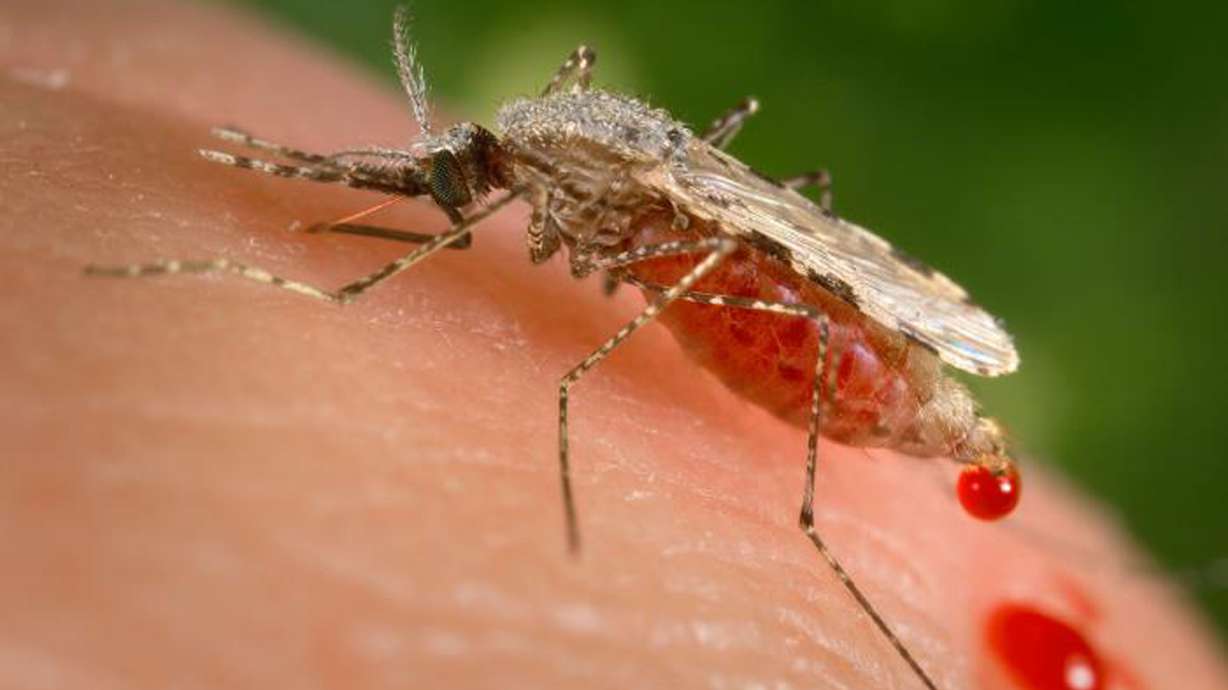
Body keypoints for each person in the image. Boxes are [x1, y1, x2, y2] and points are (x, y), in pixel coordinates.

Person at [3, 1, 1225, 687]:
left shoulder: (548, 152)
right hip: (708, 235)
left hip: (803, 314)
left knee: (764, 280)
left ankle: (815, 534)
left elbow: (557, 196)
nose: (456, 186)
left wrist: (575, 382)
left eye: (461, 175)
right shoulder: (535, 137)